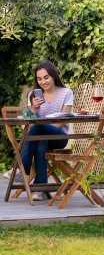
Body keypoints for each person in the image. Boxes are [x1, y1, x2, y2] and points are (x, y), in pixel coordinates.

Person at [20, 60, 74, 201]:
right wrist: (33, 108)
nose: (43, 82)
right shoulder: (33, 94)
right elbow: (27, 123)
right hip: (40, 138)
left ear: (53, 76)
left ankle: (22, 166)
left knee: (38, 126)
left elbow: (61, 123)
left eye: (46, 77)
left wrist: (41, 125)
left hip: (59, 137)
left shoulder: (66, 93)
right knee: (41, 142)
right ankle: (40, 189)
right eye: (39, 79)